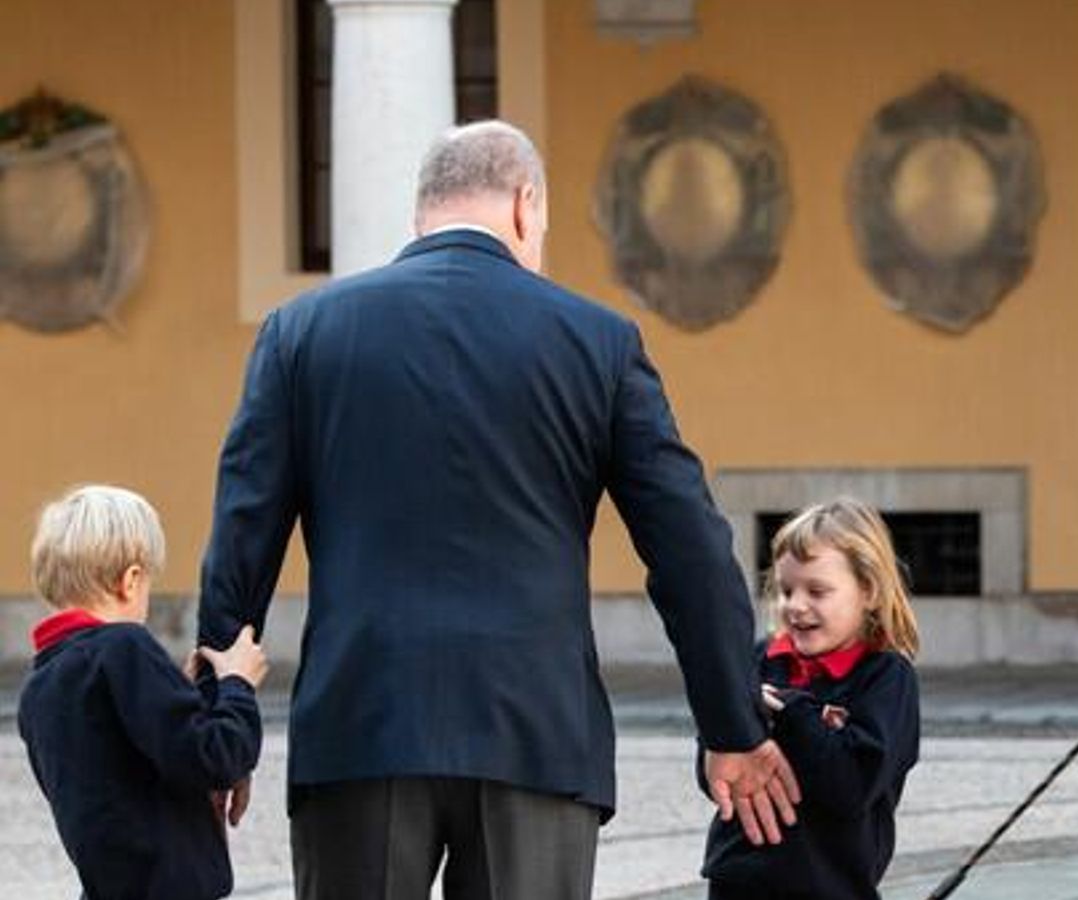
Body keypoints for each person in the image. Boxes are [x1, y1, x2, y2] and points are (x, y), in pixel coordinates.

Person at [196, 119, 798, 900]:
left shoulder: (302, 333)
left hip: (361, 727)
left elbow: (242, 537)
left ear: (421, 213)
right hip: (536, 734)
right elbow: (691, 550)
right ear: (525, 204)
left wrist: (215, 731)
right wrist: (732, 726)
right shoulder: (600, 342)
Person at [18, 484, 267, 900]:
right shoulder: (125, 647)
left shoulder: (39, 687)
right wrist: (237, 685)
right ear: (131, 581)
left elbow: (117, 769)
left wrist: (171, 693)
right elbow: (216, 758)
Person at [700, 498, 921, 900]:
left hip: (829, 887)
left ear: (869, 591)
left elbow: (854, 785)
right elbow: (715, 769)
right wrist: (722, 734)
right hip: (737, 881)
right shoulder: (760, 660)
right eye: (786, 590)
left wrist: (790, 712)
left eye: (817, 591)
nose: (796, 605)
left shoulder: (886, 679)